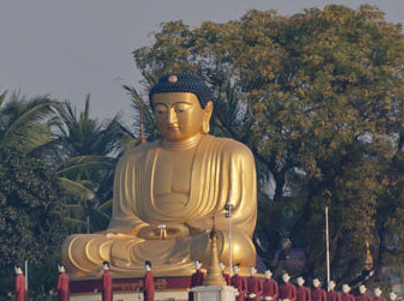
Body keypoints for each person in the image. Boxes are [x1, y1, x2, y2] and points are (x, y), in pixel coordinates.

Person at [60, 73, 257, 277]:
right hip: (141, 243)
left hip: (195, 242)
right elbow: (122, 219)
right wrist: (144, 230)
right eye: (161, 111)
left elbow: (236, 218)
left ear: (206, 112)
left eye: (180, 110)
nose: (170, 119)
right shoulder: (133, 160)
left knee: (232, 246)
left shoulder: (232, 153)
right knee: (76, 248)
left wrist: (187, 229)